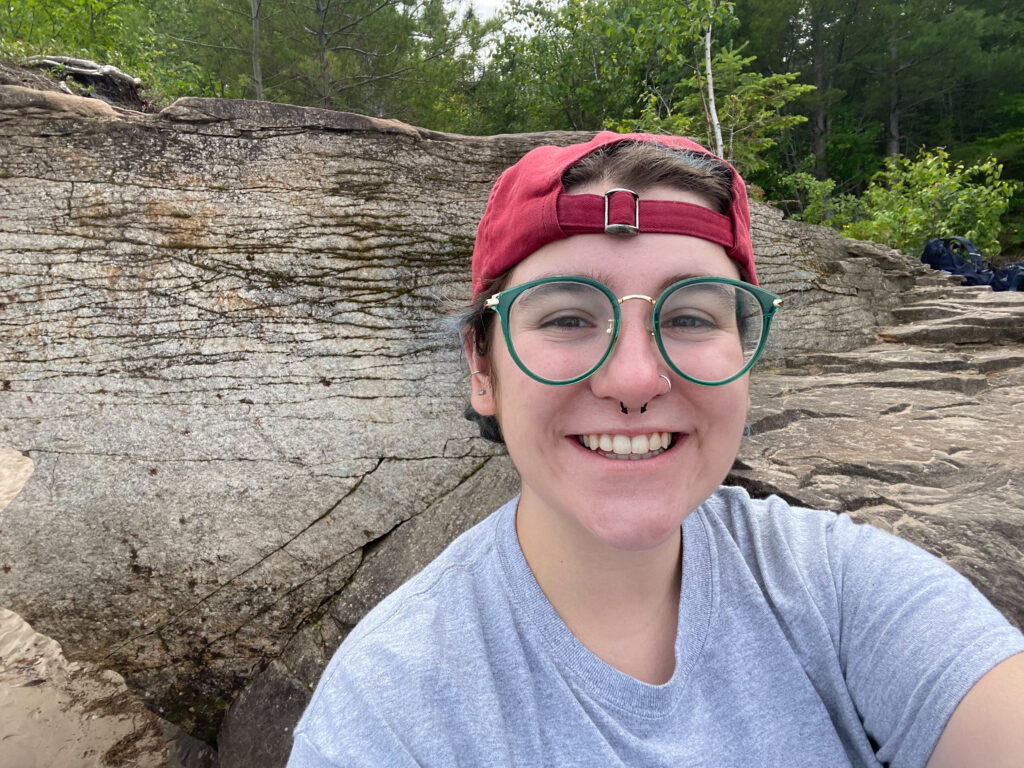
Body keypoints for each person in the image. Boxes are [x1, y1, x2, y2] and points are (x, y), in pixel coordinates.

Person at [287, 132, 1024, 767]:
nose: (635, 379)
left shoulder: (839, 590)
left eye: (691, 317)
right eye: (570, 317)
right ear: (482, 367)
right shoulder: (394, 707)